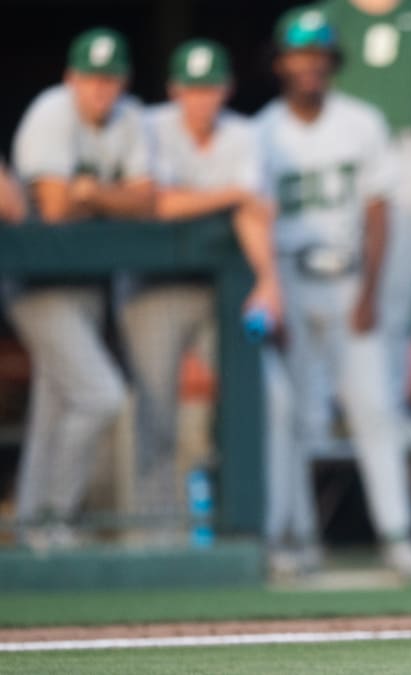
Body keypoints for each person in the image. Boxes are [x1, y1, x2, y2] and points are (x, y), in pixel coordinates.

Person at [257, 6, 411, 578]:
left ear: (332, 62)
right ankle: (296, 538)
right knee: (292, 415)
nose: (310, 65)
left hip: (349, 276)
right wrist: (271, 295)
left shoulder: (360, 120)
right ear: (282, 63)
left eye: (319, 55)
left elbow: (379, 213)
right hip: (288, 277)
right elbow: (254, 218)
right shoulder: (261, 130)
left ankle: (398, 538)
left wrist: (369, 294)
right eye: (300, 55)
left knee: (375, 410)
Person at [120, 39, 282, 527]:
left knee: (258, 397)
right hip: (151, 286)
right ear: (174, 90)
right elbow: (158, 205)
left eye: (209, 88)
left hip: (221, 290)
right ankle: (152, 537)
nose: (201, 98)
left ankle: (250, 529)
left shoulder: (244, 133)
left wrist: (270, 281)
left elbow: (255, 215)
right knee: (153, 413)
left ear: (226, 89)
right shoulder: (147, 125)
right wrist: (231, 194)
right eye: (191, 89)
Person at [7, 27, 153, 545]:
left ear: (123, 81)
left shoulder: (132, 116)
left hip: (90, 284)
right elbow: (53, 207)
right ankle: (54, 518)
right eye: (90, 79)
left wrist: (87, 190)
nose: (100, 90)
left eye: (109, 79)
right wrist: (105, 196)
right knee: (100, 396)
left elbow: (146, 201)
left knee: (57, 404)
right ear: (72, 79)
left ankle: (32, 526)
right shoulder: (52, 110)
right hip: (33, 283)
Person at [318, 0, 411, 414]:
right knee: (333, 281)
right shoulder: (330, 14)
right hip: (339, 157)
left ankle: (388, 404)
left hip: (404, 153)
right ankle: (331, 402)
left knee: (397, 290)